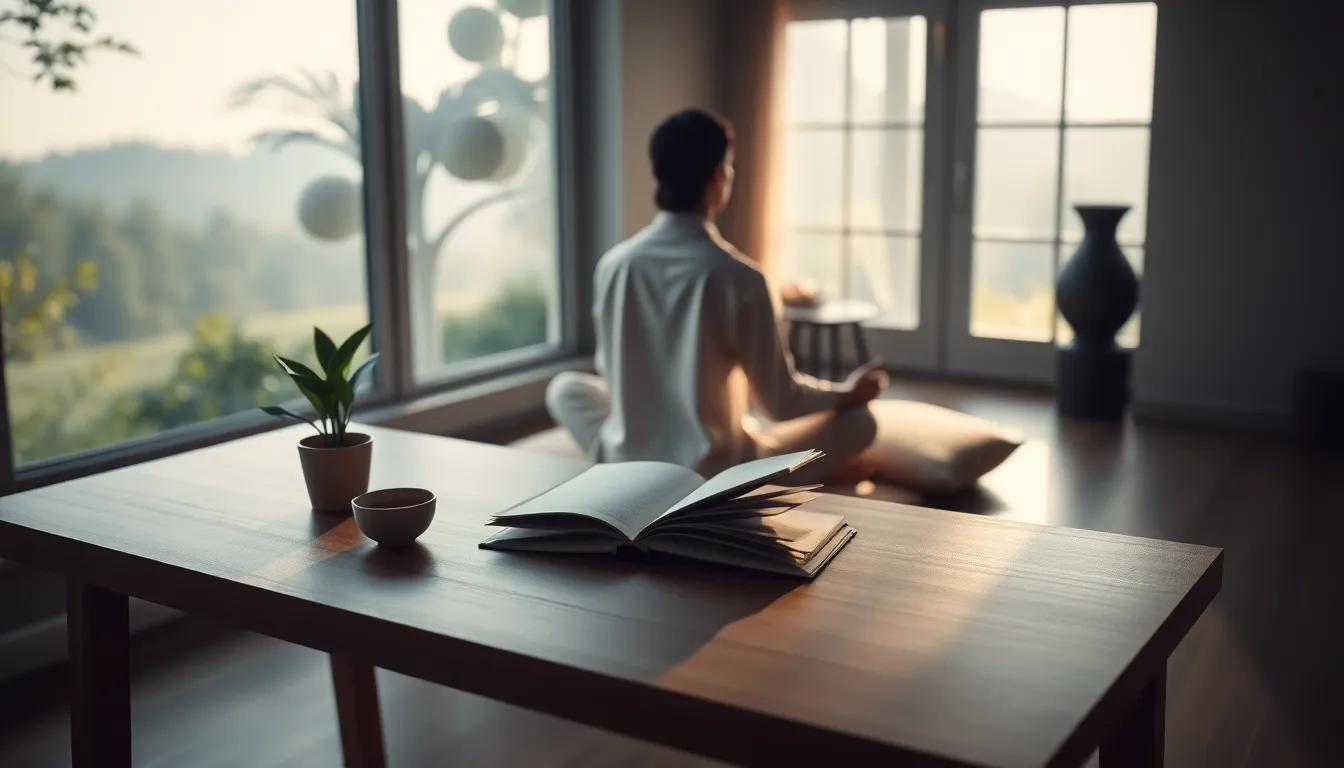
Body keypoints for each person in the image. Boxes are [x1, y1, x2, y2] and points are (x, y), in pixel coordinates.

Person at [546, 108, 888, 484]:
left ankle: (619, 461)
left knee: (564, 389)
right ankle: (756, 479)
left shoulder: (613, 265)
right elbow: (780, 402)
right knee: (862, 422)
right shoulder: (740, 278)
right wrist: (847, 394)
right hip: (717, 474)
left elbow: (613, 374)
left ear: (655, 175)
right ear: (718, 176)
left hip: (628, 458)